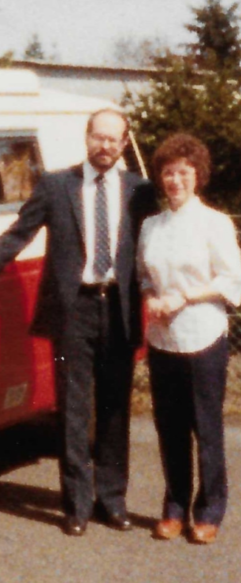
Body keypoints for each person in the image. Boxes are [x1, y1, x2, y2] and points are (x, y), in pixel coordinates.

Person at [0, 109, 156, 536]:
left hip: (117, 308)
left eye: (115, 140)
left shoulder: (140, 191)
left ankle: (112, 501)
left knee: (115, 409)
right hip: (72, 310)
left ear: (124, 143)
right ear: (87, 137)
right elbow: (18, 232)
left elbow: (163, 241)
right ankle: (76, 505)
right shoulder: (57, 185)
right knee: (73, 409)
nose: (106, 146)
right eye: (99, 137)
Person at [137, 133, 241, 544]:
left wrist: (184, 296)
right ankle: (174, 506)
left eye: (183, 172)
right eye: (168, 172)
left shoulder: (214, 222)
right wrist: (152, 299)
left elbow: (232, 277)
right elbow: (144, 276)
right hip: (163, 338)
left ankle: (210, 509)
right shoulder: (151, 225)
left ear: (197, 176)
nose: (175, 180)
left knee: (206, 427)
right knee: (170, 426)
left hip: (203, 335)